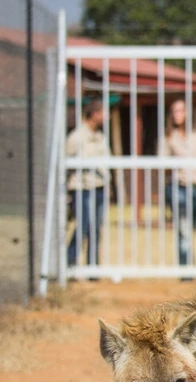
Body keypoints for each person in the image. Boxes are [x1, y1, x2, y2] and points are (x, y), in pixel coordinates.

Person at [160, 99, 196, 268]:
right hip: (180, 187)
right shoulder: (169, 136)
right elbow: (162, 161)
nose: (176, 114)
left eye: (180, 110)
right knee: (184, 231)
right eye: (174, 111)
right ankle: (186, 271)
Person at [65, 99, 109, 270]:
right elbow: (65, 162)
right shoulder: (76, 137)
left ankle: (93, 267)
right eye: (104, 113)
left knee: (95, 229)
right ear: (95, 114)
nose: (107, 117)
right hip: (82, 189)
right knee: (82, 227)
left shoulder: (100, 136)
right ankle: (69, 262)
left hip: (99, 187)